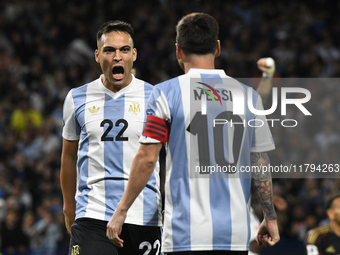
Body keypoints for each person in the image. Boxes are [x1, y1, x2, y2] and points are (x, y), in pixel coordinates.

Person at [107, 12, 280, 254]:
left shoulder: (166, 93)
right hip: (235, 234)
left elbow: (147, 159)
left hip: (185, 233)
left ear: (178, 51)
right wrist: (269, 217)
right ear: (217, 48)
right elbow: (260, 162)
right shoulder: (249, 96)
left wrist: (122, 210)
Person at [60, 20, 162, 255]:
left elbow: (173, 154)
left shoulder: (155, 97)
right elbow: (68, 156)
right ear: (97, 55)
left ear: (134, 54)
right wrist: (69, 207)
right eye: (109, 50)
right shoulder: (77, 97)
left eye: (124, 50)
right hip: (93, 215)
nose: (117, 57)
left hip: (143, 216)